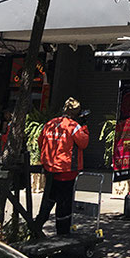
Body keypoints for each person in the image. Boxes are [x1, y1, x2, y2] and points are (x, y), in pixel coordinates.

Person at [35, 97, 89, 235]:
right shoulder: (73, 126)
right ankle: (63, 234)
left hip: (50, 169)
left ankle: (37, 226)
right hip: (66, 170)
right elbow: (84, 143)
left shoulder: (50, 123)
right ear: (76, 113)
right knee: (64, 204)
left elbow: (40, 141)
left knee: (49, 199)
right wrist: (84, 127)